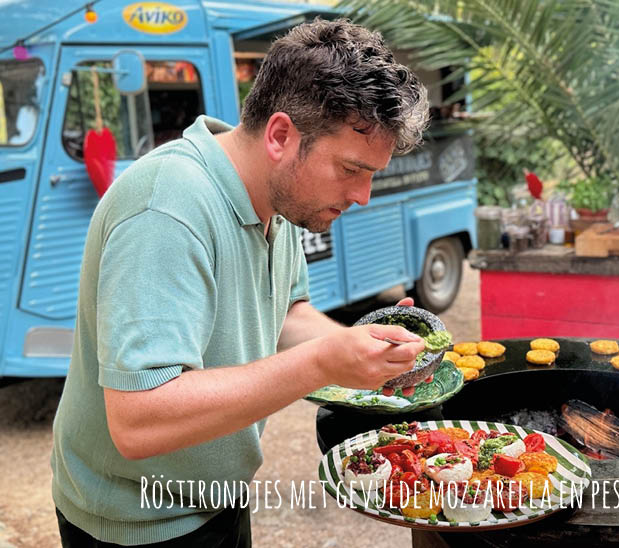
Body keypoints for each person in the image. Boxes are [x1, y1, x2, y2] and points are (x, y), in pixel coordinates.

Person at [51, 19, 430, 547]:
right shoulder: (166, 207)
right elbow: (139, 419)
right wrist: (321, 364)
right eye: (350, 169)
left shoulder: (280, 197)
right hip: (138, 525)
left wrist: (366, 346)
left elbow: (285, 317)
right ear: (280, 136)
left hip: (217, 499)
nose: (362, 195)